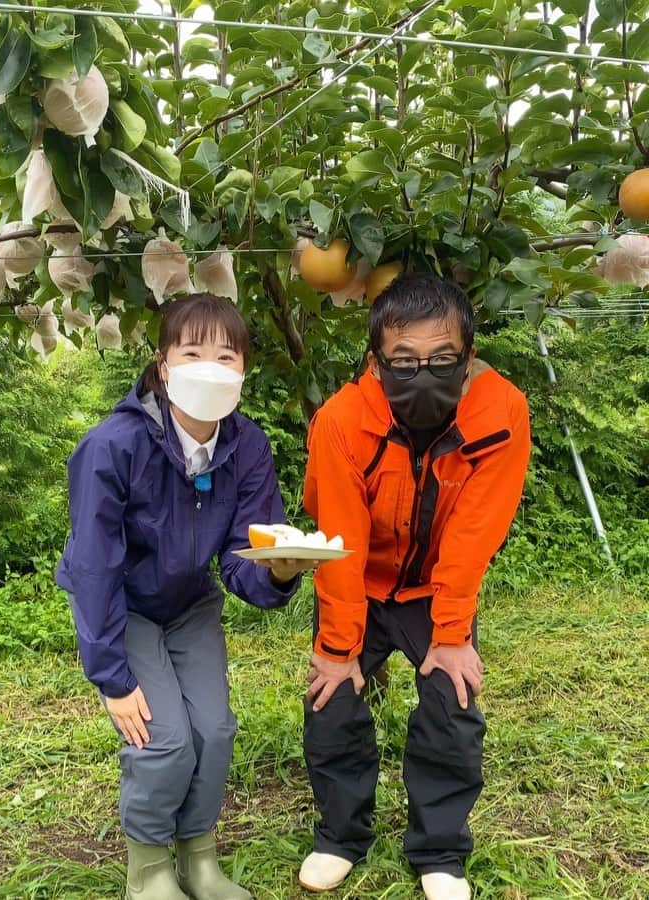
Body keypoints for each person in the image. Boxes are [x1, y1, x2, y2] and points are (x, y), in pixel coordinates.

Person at [56, 293, 314, 900]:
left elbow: (242, 554)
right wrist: (112, 678)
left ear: (243, 370)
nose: (210, 367)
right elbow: (94, 566)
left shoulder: (245, 447)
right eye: (192, 352)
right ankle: (147, 871)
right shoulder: (113, 446)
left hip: (190, 603)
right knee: (164, 738)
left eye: (227, 356)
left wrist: (278, 574)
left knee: (215, 731)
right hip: (126, 605)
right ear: (162, 365)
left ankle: (198, 859)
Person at [299, 274, 531, 900]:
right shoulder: (341, 421)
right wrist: (339, 645)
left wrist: (453, 632)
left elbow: (475, 533)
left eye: (441, 359)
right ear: (375, 362)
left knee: (452, 708)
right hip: (362, 583)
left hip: (435, 587)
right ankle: (339, 837)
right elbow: (338, 541)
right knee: (331, 699)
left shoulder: (502, 411)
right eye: (402, 362)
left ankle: (439, 852)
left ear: (470, 355)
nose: (421, 372)